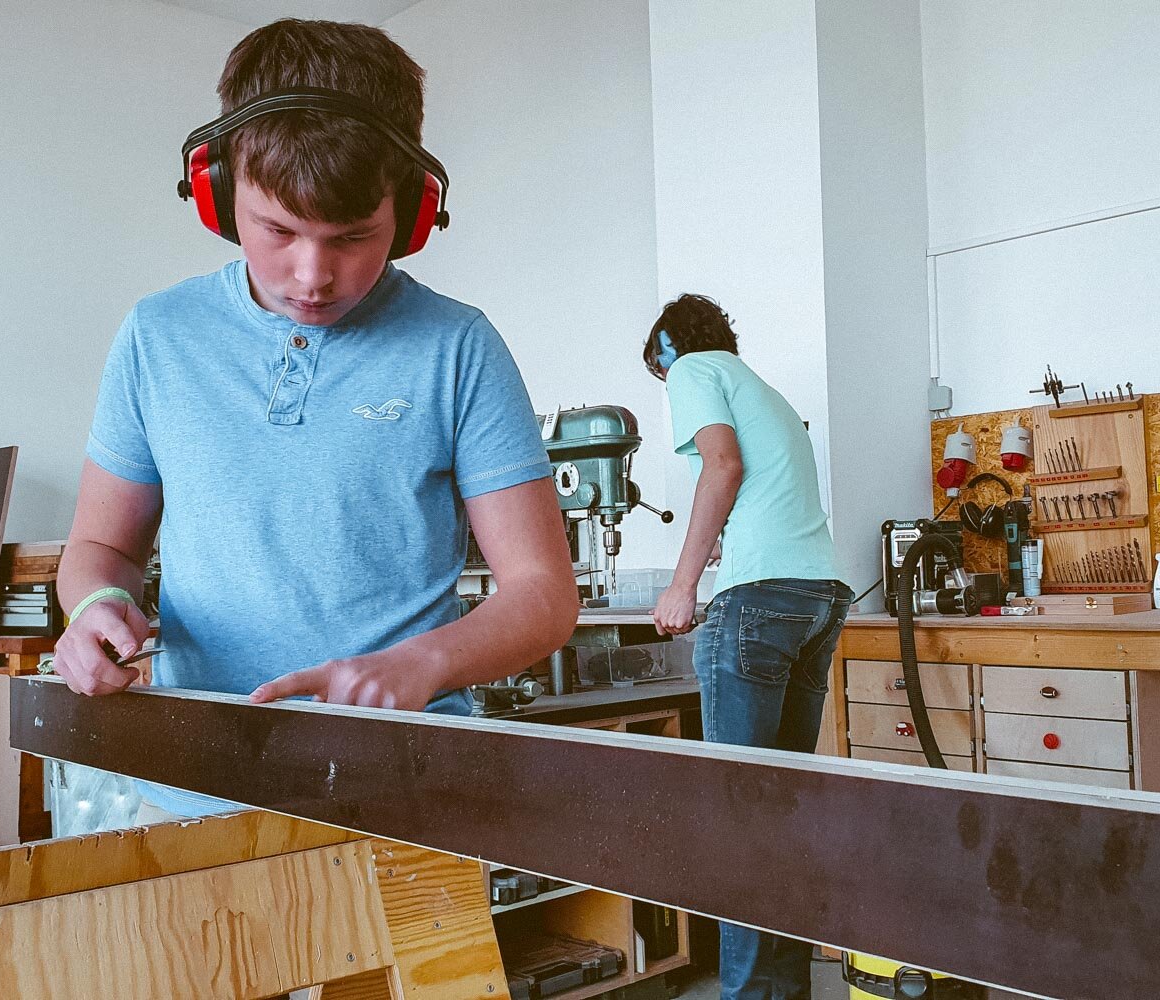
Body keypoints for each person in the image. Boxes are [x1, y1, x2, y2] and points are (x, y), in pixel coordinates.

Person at [52, 19, 576, 820]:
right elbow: (102, 546)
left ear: (410, 213)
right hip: (185, 791)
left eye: (353, 237)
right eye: (278, 230)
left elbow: (543, 593)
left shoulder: (458, 347)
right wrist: (91, 609)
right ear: (217, 193)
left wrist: (422, 663)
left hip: (399, 794)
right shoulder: (158, 336)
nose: (313, 275)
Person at [644, 294, 852, 1000]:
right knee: (780, 808)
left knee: (741, 815)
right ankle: (783, 991)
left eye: (658, 376)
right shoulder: (763, 388)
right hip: (819, 596)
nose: (667, 391)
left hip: (760, 603)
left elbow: (722, 466)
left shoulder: (694, 367)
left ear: (668, 347)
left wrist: (682, 584)